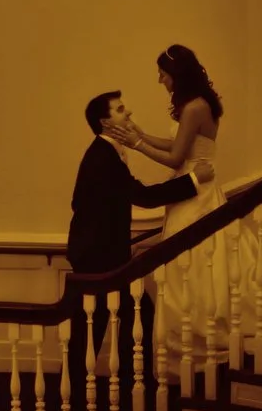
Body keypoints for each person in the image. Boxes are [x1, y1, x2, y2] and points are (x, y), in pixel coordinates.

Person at [106, 45, 261, 340]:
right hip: (192, 186)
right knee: (188, 264)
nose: (160, 81)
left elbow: (176, 157)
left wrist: (137, 145)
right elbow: (175, 143)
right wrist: (138, 133)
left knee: (191, 265)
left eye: (163, 75)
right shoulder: (198, 104)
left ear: (178, 74)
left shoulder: (194, 108)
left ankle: (198, 335)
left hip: (196, 191)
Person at [67, 90, 196, 277]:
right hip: (97, 256)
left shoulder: (104, 151)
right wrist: (193, 179)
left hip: (100, 251)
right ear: (105, 122)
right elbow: (145, 197)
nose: (128, 112)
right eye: (120, 110)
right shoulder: (103, 158)